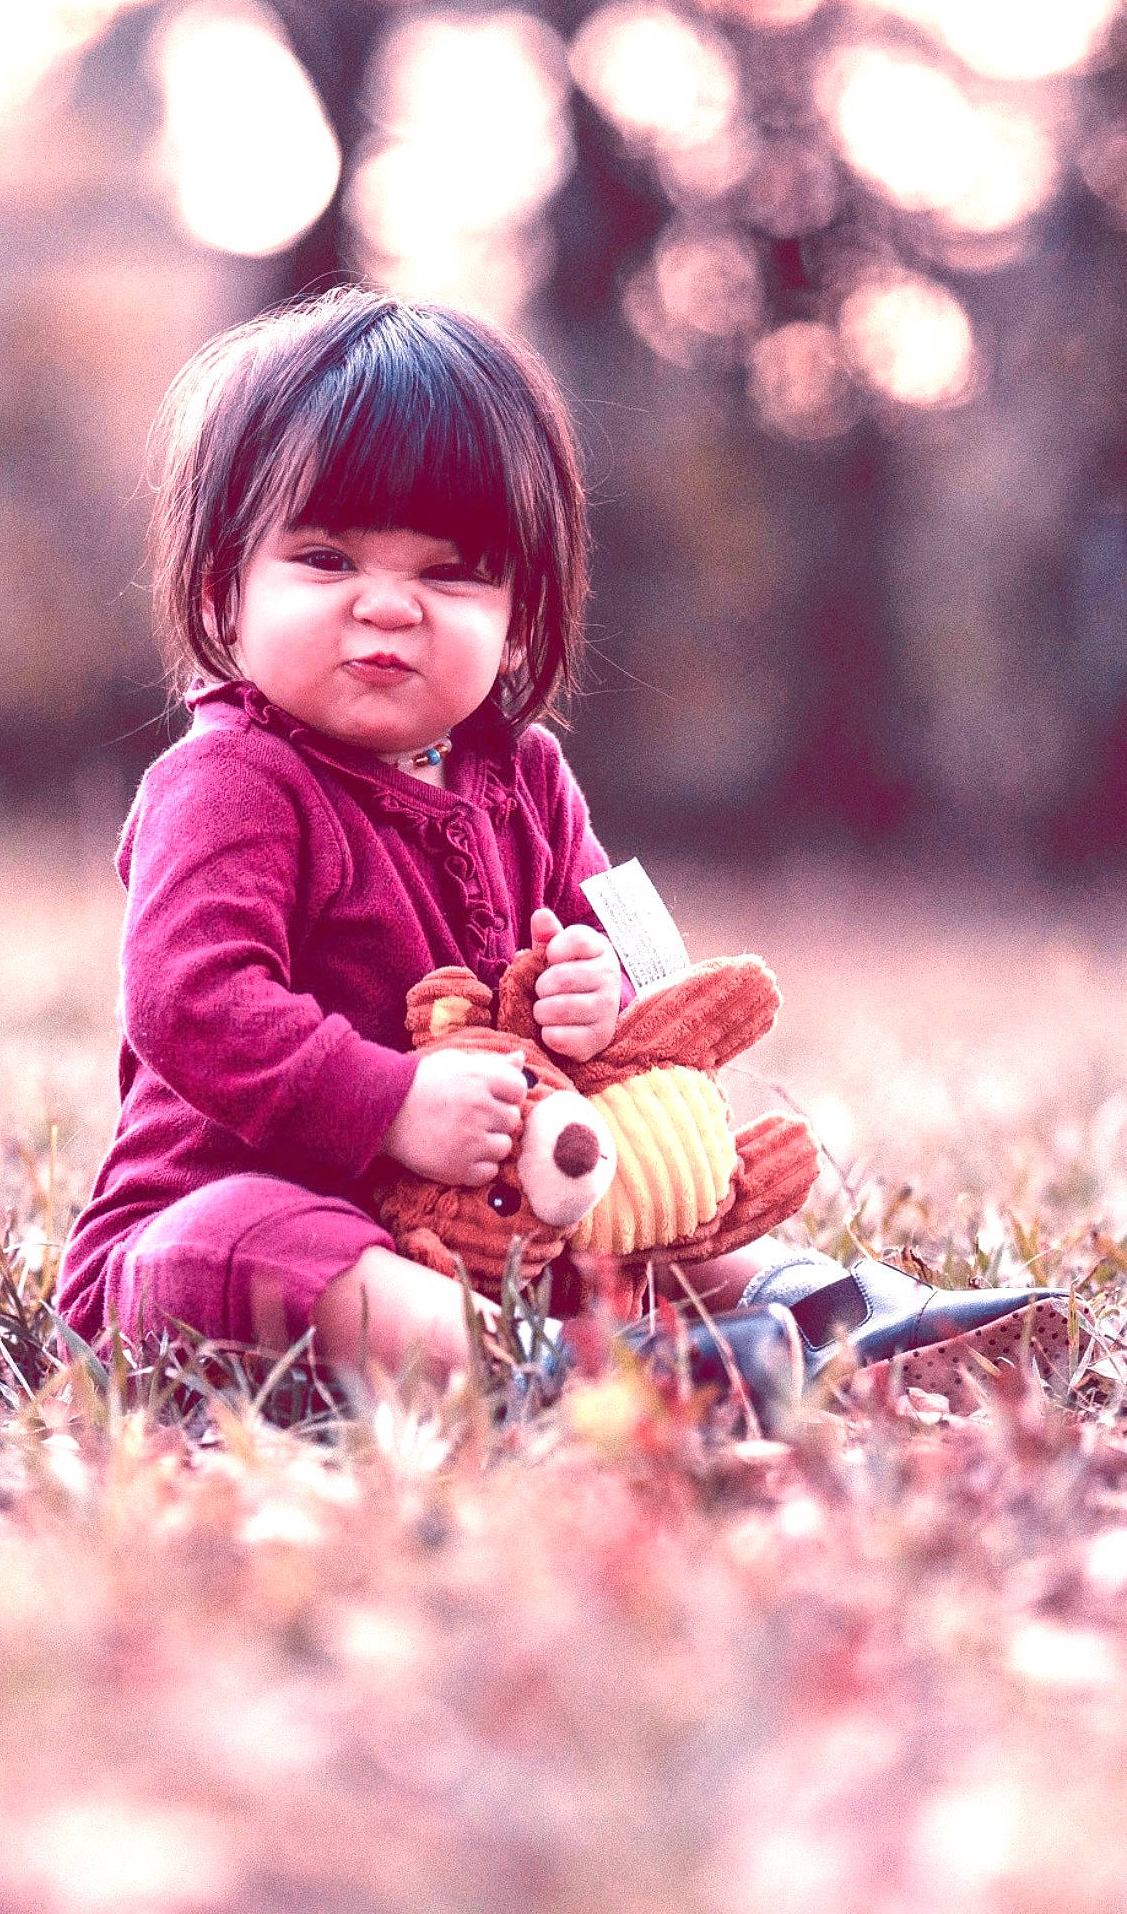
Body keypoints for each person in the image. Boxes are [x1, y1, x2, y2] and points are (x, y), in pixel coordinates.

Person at [58, 286, 1068, 1420]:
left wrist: (605, 995)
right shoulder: (230, 781)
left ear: (520, 614)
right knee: (244, 1240)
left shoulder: (527, 774)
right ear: (223, 590)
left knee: (645, 1205)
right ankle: (553, 1370)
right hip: (240, 1226)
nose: (387, 608)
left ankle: (820, 1313)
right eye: (328, 558)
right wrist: (387, 1102)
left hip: (500, 1220)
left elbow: (633, 943)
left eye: (449, 572)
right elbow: (191, 1002)